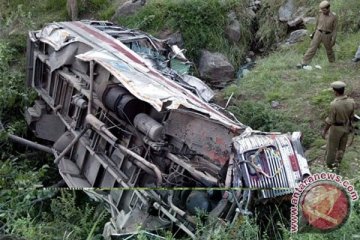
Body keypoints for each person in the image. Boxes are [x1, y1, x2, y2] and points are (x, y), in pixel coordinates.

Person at [322, 81, 355, 172]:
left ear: (335, 91)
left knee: (332, 148)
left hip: (336, 129)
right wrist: (350, 128)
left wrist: (324, 131)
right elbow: (351, 116)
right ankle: (338, 164)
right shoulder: (351, 102)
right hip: (346, 127)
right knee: (342, 147)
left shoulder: (334, 104)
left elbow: (331, 120)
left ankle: (329, 166)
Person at [298, 1, 337, 68]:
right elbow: (317, 23)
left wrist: (334, 39)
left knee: (329, 49)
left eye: (324, 10)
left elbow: (335, 29)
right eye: (322, 10)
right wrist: (314, 33)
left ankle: (332, 63)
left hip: (327, 35)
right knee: (312, 48)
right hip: (318, 33)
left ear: (328, 8)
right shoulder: (320, 13)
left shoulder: (334, 17)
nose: (323, 11)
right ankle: (304, 62)